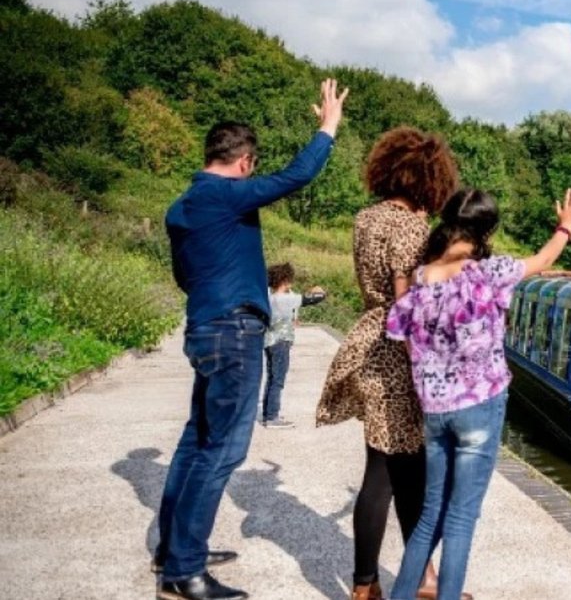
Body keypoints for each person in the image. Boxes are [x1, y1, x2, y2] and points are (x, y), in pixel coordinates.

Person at [156, 79, 348, 600]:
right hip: (235, 333)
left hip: (203, 328)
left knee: (195, 441)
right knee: (223, 450)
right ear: (244, 162)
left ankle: (173, 550)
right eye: (253, 168)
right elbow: (298, 175)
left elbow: (183, 276)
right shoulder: (227, 193)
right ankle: (184, 572)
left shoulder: (183, 206)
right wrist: (327, 126)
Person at [384, 186, 571, 600]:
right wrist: (565, 226)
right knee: (460, 518)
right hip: (480, 405)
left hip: (436, 410)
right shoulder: (488, 272)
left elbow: (403, 338)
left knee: (429, 517)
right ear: (487, 229)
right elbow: (545, 259)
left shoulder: (421, 278)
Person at [314, 128, 461, 600]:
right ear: (430, 178)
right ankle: (380, 583)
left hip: (371, 344)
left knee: (396, 471)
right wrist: (427, 371)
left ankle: (409, 580)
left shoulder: (366, 219)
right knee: (390, 474)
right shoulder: (411, 228)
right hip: (400, 354)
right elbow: (406, 306)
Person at [262, 262, 326, 429]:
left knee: (271, 378)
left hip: (269, 341)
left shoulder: (269, 297)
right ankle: (272, 417)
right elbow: (315, 298)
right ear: (285, 280)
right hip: (281, 342)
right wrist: (319, 291)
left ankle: (268, 413)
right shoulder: (287, 299)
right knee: (278, 380)